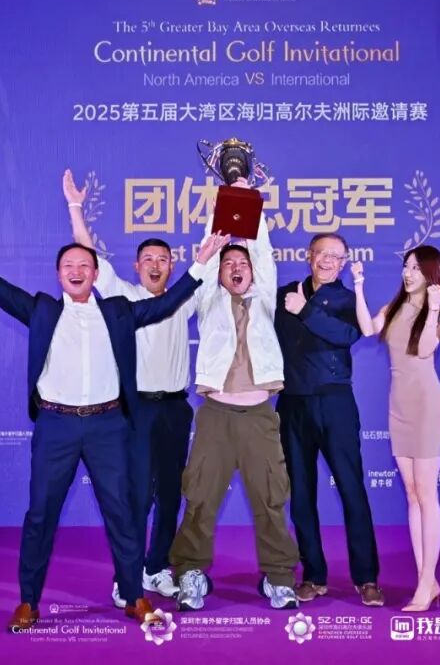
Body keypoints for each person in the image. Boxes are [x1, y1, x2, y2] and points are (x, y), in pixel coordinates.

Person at [0, 218, 227, 630]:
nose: (76, 271)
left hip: (108, 427)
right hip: (57, 426)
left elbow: (165, 305)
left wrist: (199, 264)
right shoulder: (42, 310)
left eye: (84, 266)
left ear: (95, 273)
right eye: (68, 266)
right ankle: (28, 601)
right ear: (59, 274)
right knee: (41, 515)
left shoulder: (117, 311)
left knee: (122, 513)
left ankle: (134, 596)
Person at [63, 169, 204, 607]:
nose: (156, 265)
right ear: (137, 266)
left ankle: (156, 568)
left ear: (172, 266)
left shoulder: (185, 299)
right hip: (137, 411)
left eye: (163, 259)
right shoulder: (123, 297)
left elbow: (213, 260)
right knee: (137, 496)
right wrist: (75, 207)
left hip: (176, 410)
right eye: (149, 259)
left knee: (170, 496)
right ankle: (127, 576)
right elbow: (87, 254)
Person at [169, 181, 300, 611]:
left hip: (259, 415)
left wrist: (248, 203)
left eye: (243, 263)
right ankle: (190, 573)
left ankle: (279, 577)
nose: (237, 267)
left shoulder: (264, 300)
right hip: (215, 416)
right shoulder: (208, 300)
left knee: (270, 497)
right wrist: (228, 202)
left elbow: (263, 253)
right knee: (200, 496)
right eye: (229, 263)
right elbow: (211, 254)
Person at [274, 233, 384, 606]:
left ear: (344, 263)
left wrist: (304, 310)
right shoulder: (284, 295)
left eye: (336, 256)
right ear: (309, 256)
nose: (328, 261)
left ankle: (366, 578)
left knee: (352, 489)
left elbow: (347, 335)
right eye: (322, 253)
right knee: (301, 493)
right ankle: (313, 575)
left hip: (336, 403)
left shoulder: (347, 300)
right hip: (292, 403)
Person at [352, 246, 440, 612]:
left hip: (427, 406)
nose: (408, 273)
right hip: (398, 407)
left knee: (427, 494)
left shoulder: (439, 311)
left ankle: (426, 582)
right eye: (406, 267)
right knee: (412, 494)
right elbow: (367, 329)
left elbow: (425, 349)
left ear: (430, 273)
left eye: (415, 268)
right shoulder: (393, 307)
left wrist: (435, 307)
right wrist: (359, 285)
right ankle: (427, 579)